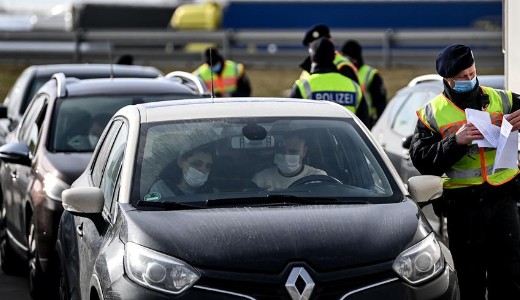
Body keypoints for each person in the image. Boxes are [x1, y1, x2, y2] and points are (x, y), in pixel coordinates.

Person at [409, 44, 520, 300]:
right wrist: (455, 142)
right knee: (471, 279)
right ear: (448, 79)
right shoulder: (431, 113)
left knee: (510, 274)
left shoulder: (501, 98)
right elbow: (422, 160)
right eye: (463, 77)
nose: (470, 80)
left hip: (503, 200)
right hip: (464, 208)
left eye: (472, 73)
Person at [289, 37, 370, 127]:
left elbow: (290, 123)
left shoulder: (303, 86)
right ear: (334, 57)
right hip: (346, 140)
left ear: (312, 59)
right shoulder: (354, 86)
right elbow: (365, 125)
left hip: (313, 140)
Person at [252, 131, 327, 191]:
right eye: (281, 151)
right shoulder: (260, 179)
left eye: (293, 152)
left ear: (304, 152)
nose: (286, 155)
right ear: (275, 151)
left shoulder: (318, 178)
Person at [341, 39, 387, 128]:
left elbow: (380, 103)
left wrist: (378, 125)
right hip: (348, 119)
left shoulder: (370, 74)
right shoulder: (343, 72)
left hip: (367, 121)